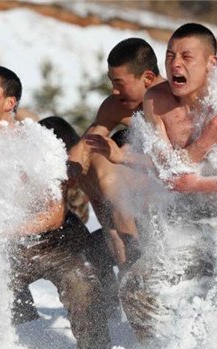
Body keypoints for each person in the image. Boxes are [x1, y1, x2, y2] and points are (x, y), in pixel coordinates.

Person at [91, 23, 217, 349]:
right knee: (136, 291)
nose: (175, 64)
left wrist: (202, 183)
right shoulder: (155, 101)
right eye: (171, 55)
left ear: (211, 64)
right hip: (184, 219)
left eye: (187, 57)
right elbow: (167, 171)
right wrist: (205, 144)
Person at [0, 66, 110, 349]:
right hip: (1, 246)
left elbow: (53, 215)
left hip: (52, 241)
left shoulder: (34, 144)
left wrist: (0, 228)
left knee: (80, 280)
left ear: (10, 103)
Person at [69, 37, 165, 270]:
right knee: (94, 167)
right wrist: (72, 168)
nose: (114, 90)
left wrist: (123, 157)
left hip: (178, 199)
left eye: (120, 82)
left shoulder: (174, 105)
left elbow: (180, 165)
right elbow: (86, 144)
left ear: (148, 78)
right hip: (135, 202)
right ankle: (126, 276)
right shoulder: (117, 105)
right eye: (111, 81)